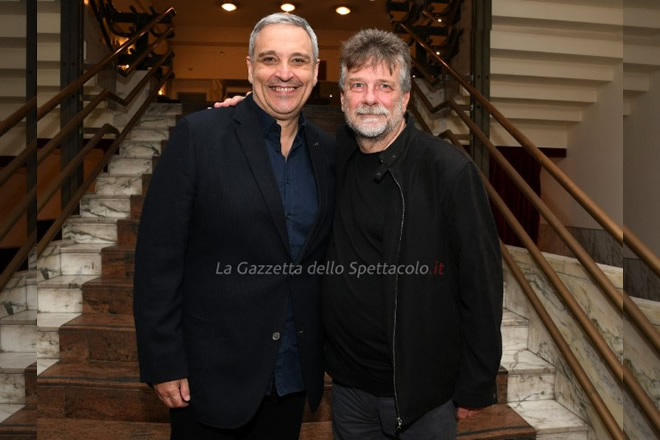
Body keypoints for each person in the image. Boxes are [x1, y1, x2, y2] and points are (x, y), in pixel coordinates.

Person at [133, 13, 335, 440]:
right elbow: (158, 259)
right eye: (270, 59)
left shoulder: (328, 153)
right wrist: (164, 361)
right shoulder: (199, 136)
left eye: (298, 61)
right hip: (209, 376)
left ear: (316, 72)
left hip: (291, 374)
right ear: (249, 68)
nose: (284, 73)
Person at [321, 29, 503, 439]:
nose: (370, 98)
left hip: (425, 395)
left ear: (404, 99)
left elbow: (482, 282)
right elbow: (282, 130)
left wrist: (477, 381)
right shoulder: (336, 157)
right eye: (358, 85)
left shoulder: (448, 171)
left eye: (384, 86)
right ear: (344, 97)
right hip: (349, 391)